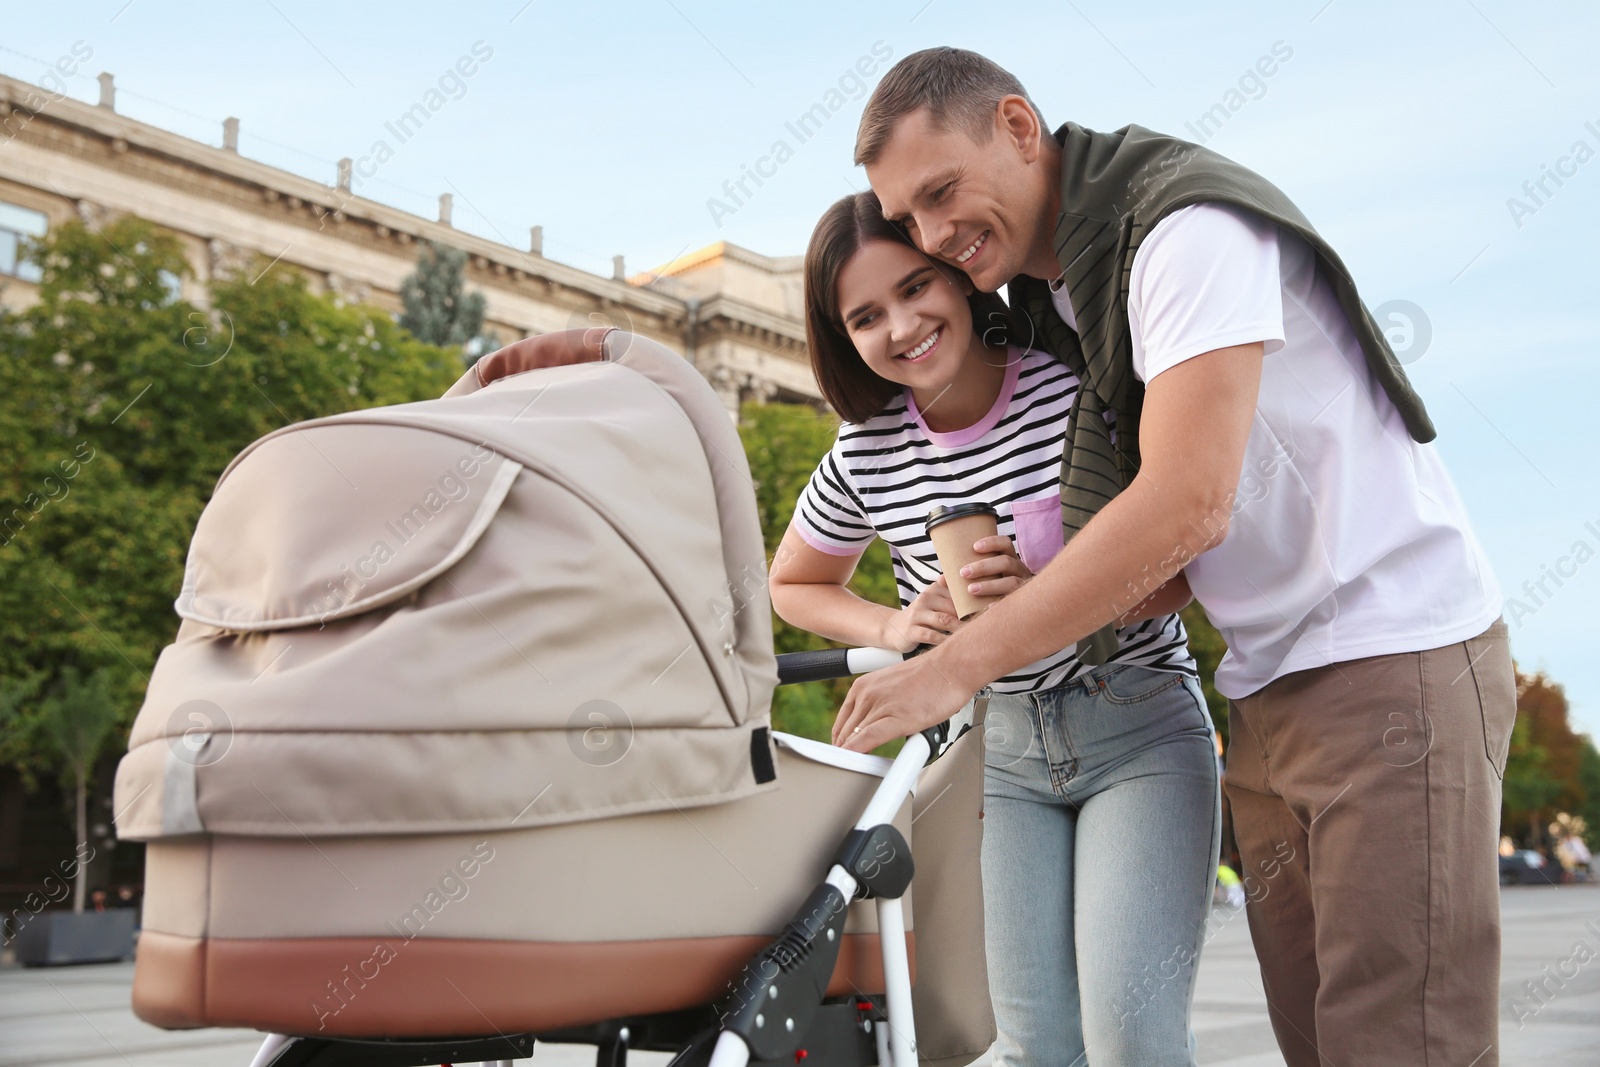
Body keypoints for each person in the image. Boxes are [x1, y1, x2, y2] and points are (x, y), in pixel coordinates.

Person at [830, 47, 1516, 1067]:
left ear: (1020, 128)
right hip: (1265, 680)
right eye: (908, 218)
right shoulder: (1062, 297)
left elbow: (1187, 499)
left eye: (941, 193)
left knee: (1398, 1041)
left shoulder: (1179, 233)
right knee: (1322, 1043)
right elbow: (1170, 541)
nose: (933, 236)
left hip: (1387, 656)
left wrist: (950, 668)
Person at [765, 189, 1216, 1067]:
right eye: (864, 316)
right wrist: (896, 625)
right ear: (841, 337)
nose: (900, 325)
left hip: (1136, 721)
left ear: (962, 278)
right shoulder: (865, 451)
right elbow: (794, 581)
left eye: (915, 286)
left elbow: (1182, 575)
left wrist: (1052, 586)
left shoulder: (1070, 396)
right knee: (1036, 1045)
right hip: (1000, 754)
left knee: (1131, 1037)